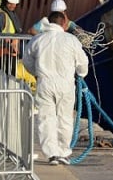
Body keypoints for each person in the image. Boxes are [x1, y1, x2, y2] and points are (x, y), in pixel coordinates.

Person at [23, 11, 88, 166]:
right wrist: (81, 74)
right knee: (65, 118)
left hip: (45, 82)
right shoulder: (71, 40)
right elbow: (82, 62)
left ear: (48, 22)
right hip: (65, 84)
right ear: (64, 23)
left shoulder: (38, 39)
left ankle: (52, 154)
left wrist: (36, 73)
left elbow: (27, 60)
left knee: (46, 119)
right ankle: (64, 152)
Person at [0, 0, 24, 75]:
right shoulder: (2, 15)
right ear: (5, 1)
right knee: (6, 76)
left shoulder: (12, 15)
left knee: (12, 76)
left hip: (12, 52)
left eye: (14, 3)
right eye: (10, 3)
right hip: (5, 53)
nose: (13, 5)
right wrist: (7, 43)